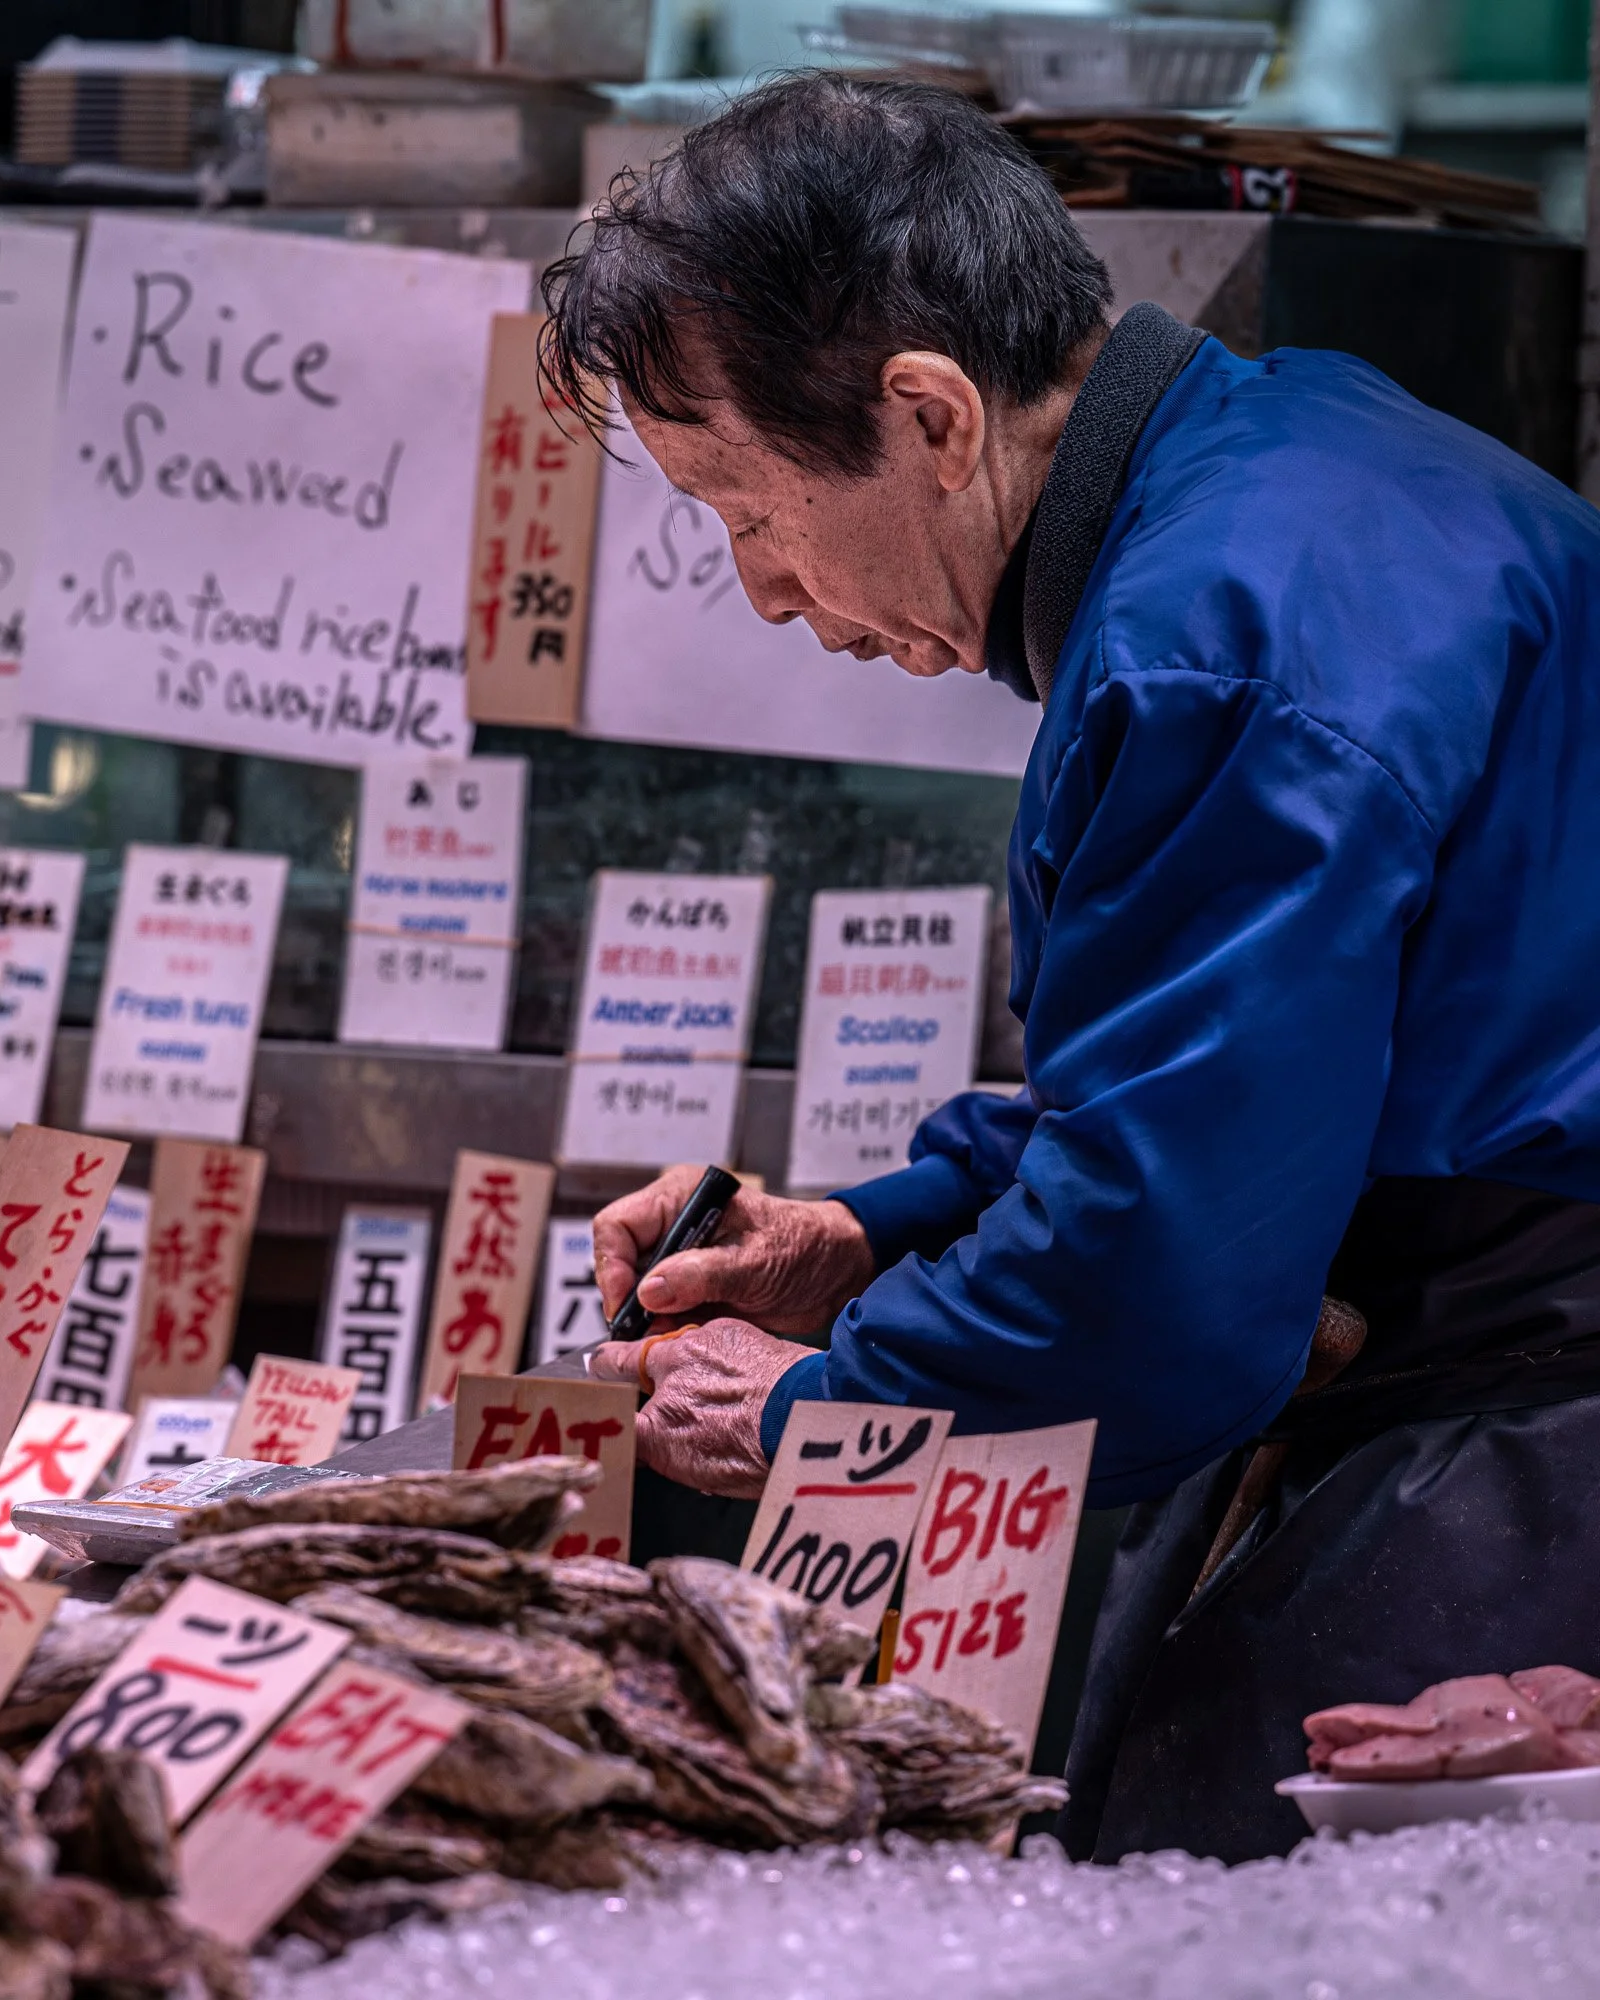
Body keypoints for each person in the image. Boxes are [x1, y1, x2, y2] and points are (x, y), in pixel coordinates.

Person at [546, 72, 1600, 1863]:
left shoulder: (1210, 650)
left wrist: (820, 1403)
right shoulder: (1293, 451)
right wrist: (874, 1234)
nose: (766, 595)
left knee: (1235, 1898)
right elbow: (1242, 1074)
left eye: (747, 508)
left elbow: (1168, 1266)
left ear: (932, 416)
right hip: (1462, 1348)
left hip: (1522, 1420)